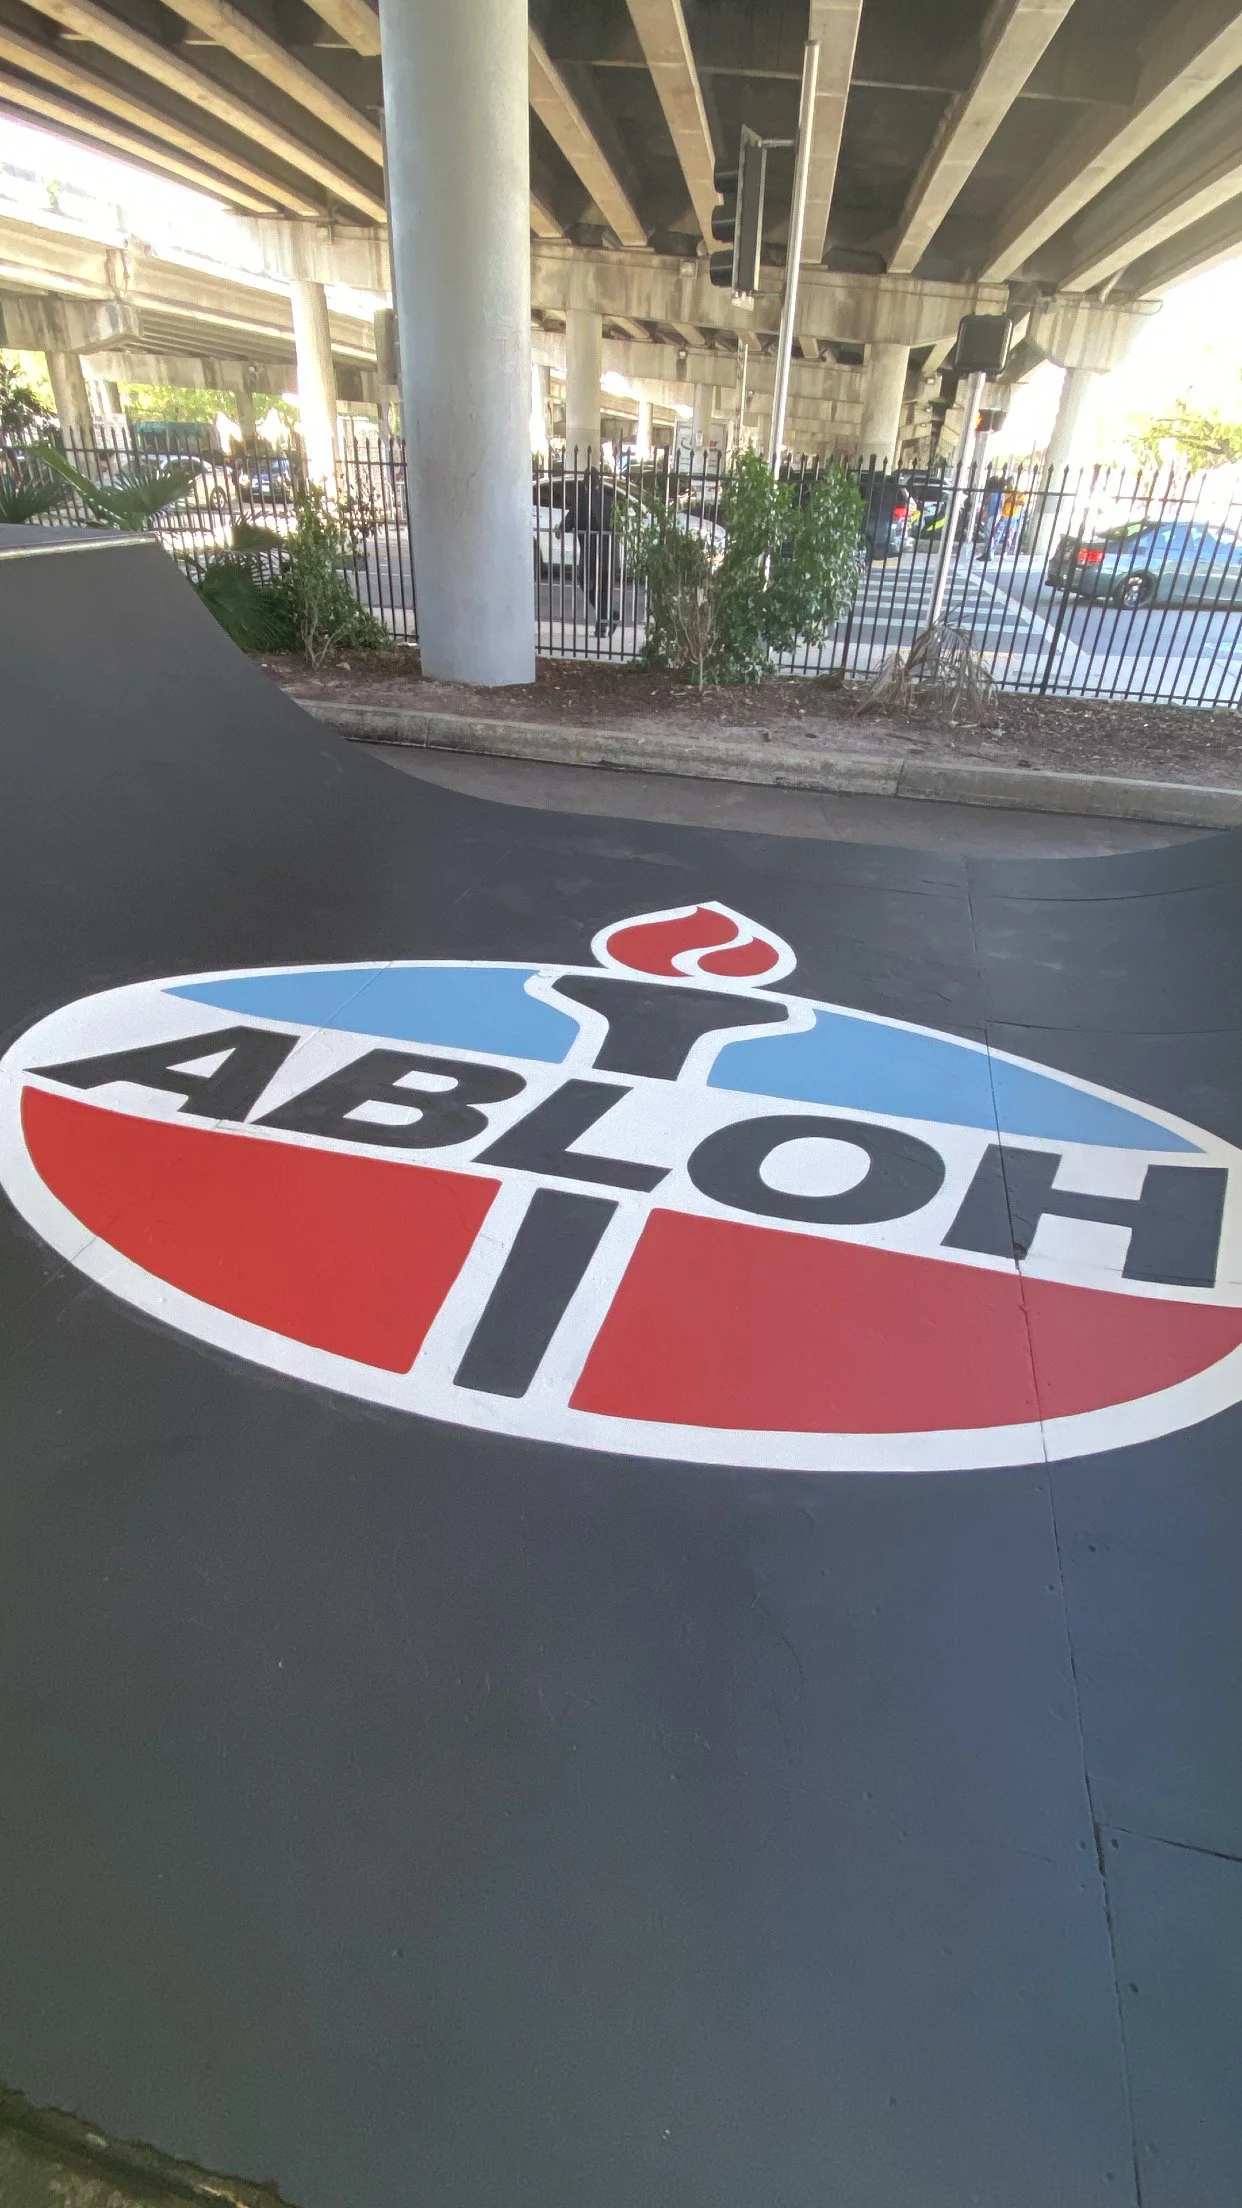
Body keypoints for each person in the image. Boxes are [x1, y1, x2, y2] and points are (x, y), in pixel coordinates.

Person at [569, 465, 618, 635]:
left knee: (586, 584)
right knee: (603, 590)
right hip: (609, 554)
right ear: (599, 482)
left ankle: (607, 618)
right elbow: (615, 526)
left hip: (591, 554)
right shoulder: (610, 501)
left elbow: (568, 523)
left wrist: (559, 528)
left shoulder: (581, 501)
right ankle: (603, 624)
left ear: (585, 483)